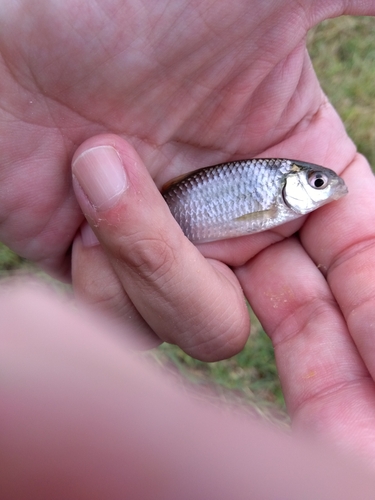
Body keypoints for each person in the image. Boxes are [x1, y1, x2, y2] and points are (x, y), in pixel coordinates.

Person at [1, 0, 375, 496]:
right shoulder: (272, 198)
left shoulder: (277, 197)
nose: (325, 187)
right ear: (291, 185)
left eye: (320, 182)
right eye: (316, 181)